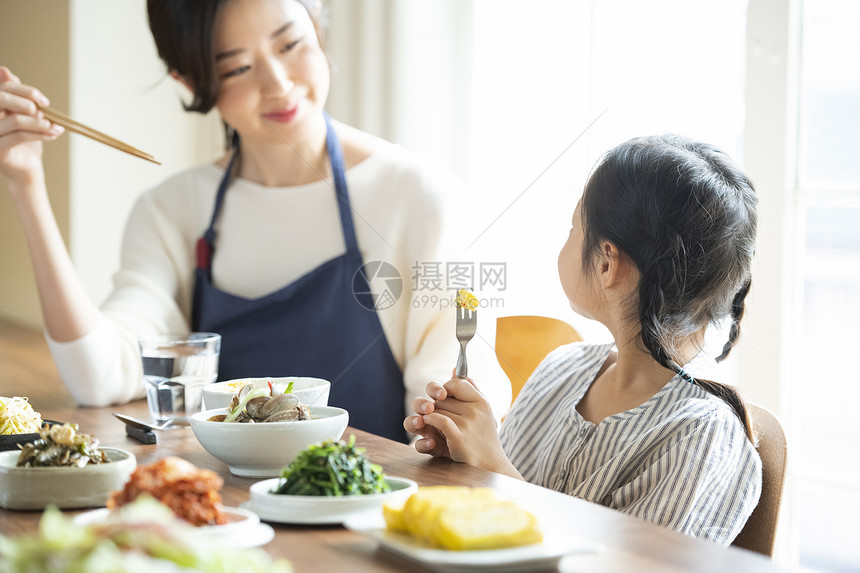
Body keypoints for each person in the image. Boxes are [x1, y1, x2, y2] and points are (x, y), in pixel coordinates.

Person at [0, 0, 510, 443]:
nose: (279, 83)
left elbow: (453, 405)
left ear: (316, 24)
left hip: (371, 512)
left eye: (290, 44)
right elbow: (101, 375)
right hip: (225, 517)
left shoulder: (418, 196)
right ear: (191, 80)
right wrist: (26, 185)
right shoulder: (173, 209)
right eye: (238, 67)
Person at [405, 134, 762, 544]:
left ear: (608, 263)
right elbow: (486, 513)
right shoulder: (563, 367)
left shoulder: (701, 436)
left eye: (574, 229)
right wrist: (467, 460)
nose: (568, 241)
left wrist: (492, 462)